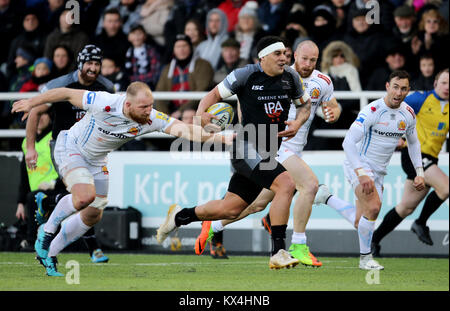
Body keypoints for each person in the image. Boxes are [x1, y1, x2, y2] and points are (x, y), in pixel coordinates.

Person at [12, 81, 233, 276]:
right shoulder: (104, 101)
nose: (149, 111)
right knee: (84, 197)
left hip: (98, 161)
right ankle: (47, 231)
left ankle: (50, 253)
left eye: (150, 105)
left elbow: (185, 130)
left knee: (92, 216)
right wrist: (33, 102)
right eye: (143, 107)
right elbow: (65, 93)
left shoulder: (151, 118)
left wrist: (221, 137)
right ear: (127, 105)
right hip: (71, 148)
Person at [156, 36, 312, 270]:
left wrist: (298, 123)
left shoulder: (291, 77)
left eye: (285, 54)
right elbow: (213, 95)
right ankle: (278, 251)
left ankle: (179, 216)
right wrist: (202, 113)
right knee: (286, 184)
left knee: (229, 208)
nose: (284, 58)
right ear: (263, 57)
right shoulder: (245, 75)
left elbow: (305, 105)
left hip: (268, 151)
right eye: (278, 54)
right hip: (246, 147)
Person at [195, 40, 341, 266]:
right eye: (304, 58)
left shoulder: (323, 81)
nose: (308, 64)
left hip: (294, 149)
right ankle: (298, 245)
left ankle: (213, 225)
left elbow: (333, 104)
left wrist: (334, 113)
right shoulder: (280, 74)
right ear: (293, 56)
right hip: (276, 146)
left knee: (255, 204)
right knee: (310, 185)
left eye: (313, 60)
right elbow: (247, 97)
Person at [313, 70, 425, 270]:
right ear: (387, 87)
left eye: (404, 89)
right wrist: (361, 172)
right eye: (396, 87)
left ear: (408, 91)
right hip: (359, 164)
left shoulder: (407, 114)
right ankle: (366, 258)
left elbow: (414, 143)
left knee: (362, 221)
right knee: (373, 208)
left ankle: (327, 197)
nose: (399, 93)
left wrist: (420, 172)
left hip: (379, 172)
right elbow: (348, 143)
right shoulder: (372, 110)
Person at [23, 45, 115, 266]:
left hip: (92, 151)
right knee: (82, 195)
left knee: (93, 202)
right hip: (64, 147)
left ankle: (46, 201)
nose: (93, 68)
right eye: (89, 63)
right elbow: (35, 111)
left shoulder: (106, 87)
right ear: (80, 64)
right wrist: (31, 147)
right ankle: (92, 249)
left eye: (97, 64)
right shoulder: (61, 85)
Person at [371, 69, 448, 255]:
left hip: (431, 159)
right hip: (414, 156)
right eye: (444, 82)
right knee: (445, 188)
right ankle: (421, 223)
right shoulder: (420, 99)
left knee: (405, 207)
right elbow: (391, 106)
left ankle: (373, 241)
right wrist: (395, 134)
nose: (447, 87)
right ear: (435, 82)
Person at [15, 112, 59, 251]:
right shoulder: (27, 142)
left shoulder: (55, 137)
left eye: (43, 114)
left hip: (57, 188)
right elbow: (24, 175)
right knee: (32, 198)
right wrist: (20, 203)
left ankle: (32, 241)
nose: (39, 118)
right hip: (34, 196)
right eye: (36, 115)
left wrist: (53, 183)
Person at [154, 34, 214, 119]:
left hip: (195, 108)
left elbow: (202, 90)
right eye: (178, 46)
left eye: (184, 46)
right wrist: (165, 116)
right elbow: (159, 93)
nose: (181, 49)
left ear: (190, 47)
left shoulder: (203, 65)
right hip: (172, 110)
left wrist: (181, 111)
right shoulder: (167, 69)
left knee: (188, 114)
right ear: (173, 50)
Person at [124, 24, 162, 90]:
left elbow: (155, 71)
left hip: (148, 85)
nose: (136, 37)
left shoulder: (151, 51)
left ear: (144, 36)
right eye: (133, 34)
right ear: (129, 37)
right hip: (132, 86)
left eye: (139, 34)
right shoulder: (128, 53)